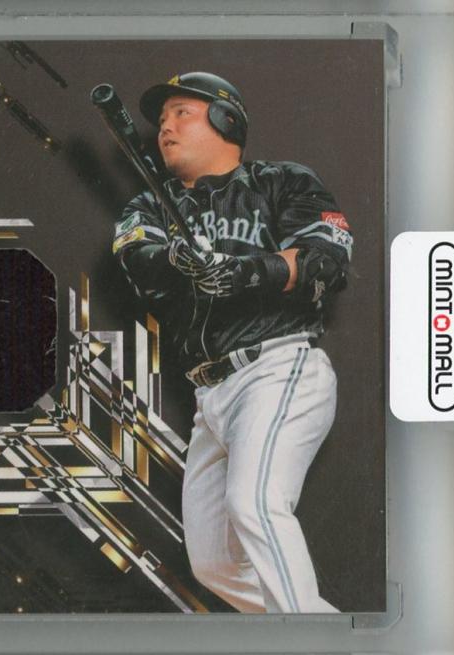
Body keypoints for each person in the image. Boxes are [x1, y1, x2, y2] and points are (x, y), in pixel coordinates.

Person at [112, 72, 353, 613]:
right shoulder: (150, 206)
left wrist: (248, 271)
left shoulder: (282, 182)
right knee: (215, 563)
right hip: (210, 396)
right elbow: (138, 259)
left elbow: (327, 260)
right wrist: (179, 258)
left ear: (226, 120)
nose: (165, 127)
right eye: (162, 119)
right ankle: (334, 634)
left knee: (257, 505)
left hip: (276, 368)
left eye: (182, 113)